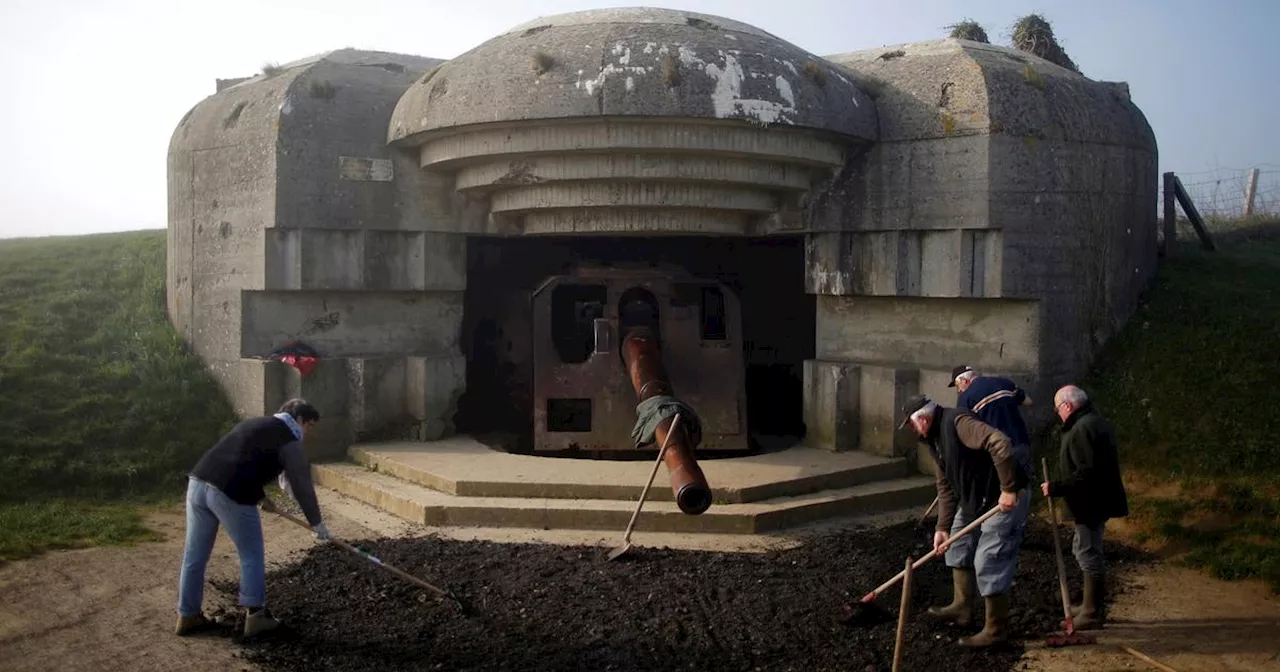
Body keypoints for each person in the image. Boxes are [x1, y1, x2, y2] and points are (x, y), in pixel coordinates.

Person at [174, 398, 331, 638]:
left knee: (194, 555)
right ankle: (256, 617)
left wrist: (261, 497)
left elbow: (243, 461)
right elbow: (301, 485)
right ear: (299, 419)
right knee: (252, 553)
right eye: (309, 426)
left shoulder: (256, 424)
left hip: (198, 484)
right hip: (229, 492)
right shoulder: (288, 439)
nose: (307, 433)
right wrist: (317, 523)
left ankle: (188, 615)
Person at [898, 394, 1032, 648]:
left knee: (989, 558)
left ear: (923, 419)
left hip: (1001, 497)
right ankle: (962, 607)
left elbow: (999, 441)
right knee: (957, 546)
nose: (912, 430)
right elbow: (946, 485)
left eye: (911, 424)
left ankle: (996, 630)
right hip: (974, 500)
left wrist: (1008, 487)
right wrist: (942, 527)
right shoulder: (933, 439)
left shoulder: (957, 422)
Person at [1040, 385, 1129, 630]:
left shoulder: (1082, 428)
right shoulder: (1093, 422)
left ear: (1067, 406)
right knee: (1085, 549)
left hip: (1090, 501)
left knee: (1088, 552)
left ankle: (1091, 611)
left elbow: (1086, 472)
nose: (1058, 413)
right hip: (1095, 499)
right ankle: (1091, 605)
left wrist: (1056, 487)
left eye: (1058, 408)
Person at [948, 364, 1036, 490]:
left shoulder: (965, 399)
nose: (959, 390)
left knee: (1005, 491)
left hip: (996, 452)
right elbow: (1028, 401)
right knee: (1025, 487)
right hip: (1020, 442)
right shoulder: (1003, 382)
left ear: (964, 381)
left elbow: (966, 429)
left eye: (958, 386)